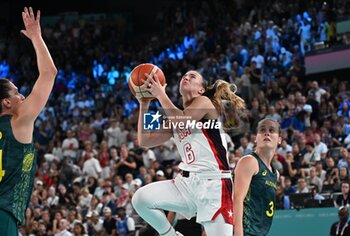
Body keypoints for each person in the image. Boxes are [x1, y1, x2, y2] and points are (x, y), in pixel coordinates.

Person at [132, 70, 246, 236]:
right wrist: (144, 105)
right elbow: (145, 140)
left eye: (192, 76)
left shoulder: (204, 102)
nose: (186, 77)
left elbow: (184, 120)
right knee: (141, 199)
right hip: (186, 184)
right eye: (184, 76)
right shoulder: (174, 115)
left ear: (201, 89)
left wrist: (161, 94)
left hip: (214, 185)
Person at [0, 7, 57, 236]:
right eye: (16, 93)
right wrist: (36, 37)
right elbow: (49, 73)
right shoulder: (19, 120)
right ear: (6, 103)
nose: (22, 96)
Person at [233, 118, 281, 236]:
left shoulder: (276, 174)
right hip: (245, 231)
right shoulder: (250, 161)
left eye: (272, 130)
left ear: (279, 140)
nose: (267, 133)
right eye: (262, 130)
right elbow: (237, 198)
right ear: (255, 138)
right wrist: (238, 232)